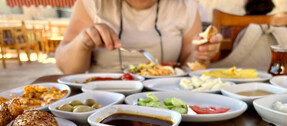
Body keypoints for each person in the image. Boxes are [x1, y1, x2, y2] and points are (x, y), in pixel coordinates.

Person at [55, 0, 222, 74]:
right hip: (103, 96)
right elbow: (67, 68)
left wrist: (202, 54)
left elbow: (190, 64)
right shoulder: (91, 3)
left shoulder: (187, 5)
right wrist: (83, 42)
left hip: (164, 95)